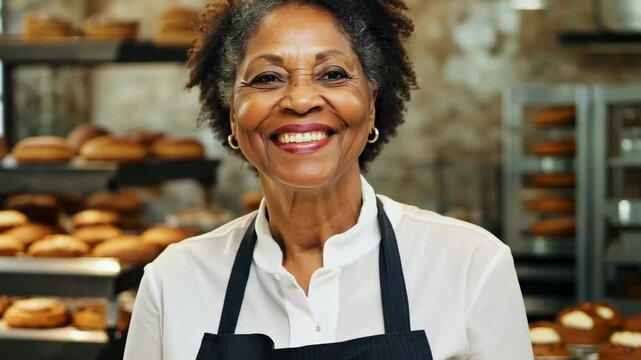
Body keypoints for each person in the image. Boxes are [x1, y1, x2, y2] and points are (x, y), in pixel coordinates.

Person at [124, 1, 533, 359]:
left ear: (371, 106)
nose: (301, 100)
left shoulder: (470, 266)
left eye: (333, 74)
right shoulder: (172, 283)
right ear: (233, 114)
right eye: (267, 78)